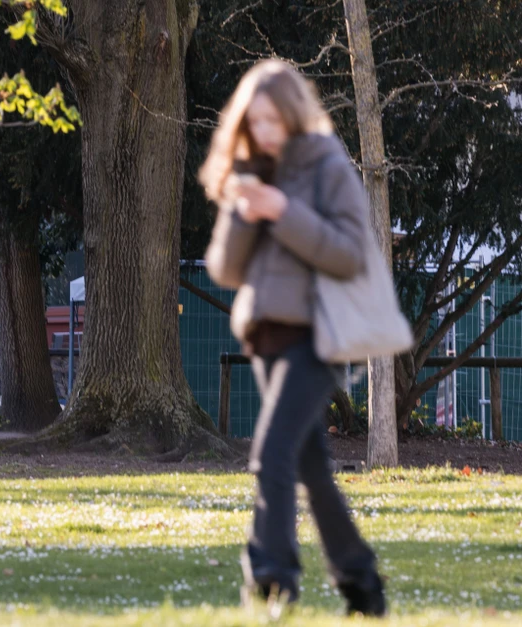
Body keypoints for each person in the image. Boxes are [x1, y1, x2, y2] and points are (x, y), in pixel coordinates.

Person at [199, 59, 385, 617]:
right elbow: (225, 269)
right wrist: (245, 210)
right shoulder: (252, 169)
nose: (263, 131)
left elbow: (352, 253)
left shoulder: (327, 165)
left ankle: (272, 578)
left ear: (294, 113)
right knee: (312, 470)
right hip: (267, 340)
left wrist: (285, 211)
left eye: (272, 119)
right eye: (253, 121)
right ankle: (361, 582)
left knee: (272, 452)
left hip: (320, 338)